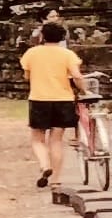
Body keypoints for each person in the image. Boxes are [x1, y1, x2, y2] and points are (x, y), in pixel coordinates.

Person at [26, 18, 89, 186]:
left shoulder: (32, 53)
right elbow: (76, 76)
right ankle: (55, 181)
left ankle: (45, 165)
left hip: (39, 99)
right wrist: (84, 90)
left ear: (42, 37)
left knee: (37, 139)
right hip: (63, 100)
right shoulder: (67, 54)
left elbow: (26, 75)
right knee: (56, 140)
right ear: (62, 38)